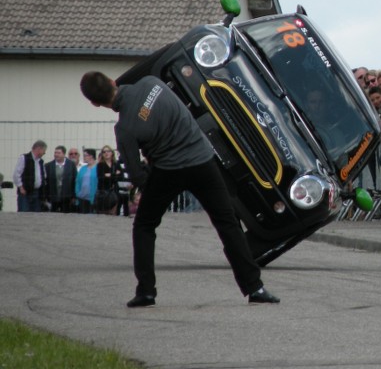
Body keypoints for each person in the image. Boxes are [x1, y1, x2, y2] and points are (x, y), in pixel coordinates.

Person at [79, 71, 279, 308]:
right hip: (203, 161)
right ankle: (255, 288)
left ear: (95, 103)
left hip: (167, 170)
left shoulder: (124, 128)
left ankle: (146, 291)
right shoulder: (152, 83)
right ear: (113, 81)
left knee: (144, 226)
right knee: (227, 223)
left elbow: (134, 171)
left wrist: (148, 186)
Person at [13, 140, 48, 212]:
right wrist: (21, 187)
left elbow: (43, 176)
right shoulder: (24, 158)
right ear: (39, 149)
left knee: (36, 215)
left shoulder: (40, 161)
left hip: (36, 193)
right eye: (44, 150)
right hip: (25, 193)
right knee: (24, 214)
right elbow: (16, 174)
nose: (44, 153)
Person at [44, 145, 77, 213]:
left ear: (64, 154)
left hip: (67, 197)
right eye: (55, 153)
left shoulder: (71, 165)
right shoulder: (48, 166)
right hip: (53, 197)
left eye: (58, 153)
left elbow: (74, 181)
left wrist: (74, 196)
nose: (56, 155)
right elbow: (46, 182)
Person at [95, 145, 123, 215]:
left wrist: (109, 175)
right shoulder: (100, 165)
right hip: (103, 192)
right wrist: (114, 174)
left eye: (108, 151)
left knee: (113, 213)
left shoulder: (116, 164)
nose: (106, 153)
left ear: (112, 153)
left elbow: (121, 177)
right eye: (104, 152)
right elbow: (101, 178)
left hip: (114, 192)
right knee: (102, 213)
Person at [75, 149, 98, 213]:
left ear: (91, 156)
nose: (84, 157)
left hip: (93, 198)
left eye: (85, 155)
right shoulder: (83, 168)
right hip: (82, 197)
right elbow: (78, 181)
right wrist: (78, 193)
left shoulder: (98, 168)